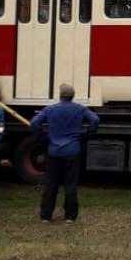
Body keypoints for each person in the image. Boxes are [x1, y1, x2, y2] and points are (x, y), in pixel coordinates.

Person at [30, 84, 100, 223]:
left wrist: (42, 138)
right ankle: (70, 216)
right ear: (73, 96)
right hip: (73, 149)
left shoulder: (50, 109)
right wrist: (87, 136)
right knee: (70, 183)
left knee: (51, 183)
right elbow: (95, 119)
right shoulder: (79, 109)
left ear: (60, 95)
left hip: (54, 150)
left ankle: (46, 215)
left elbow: (34, 122)